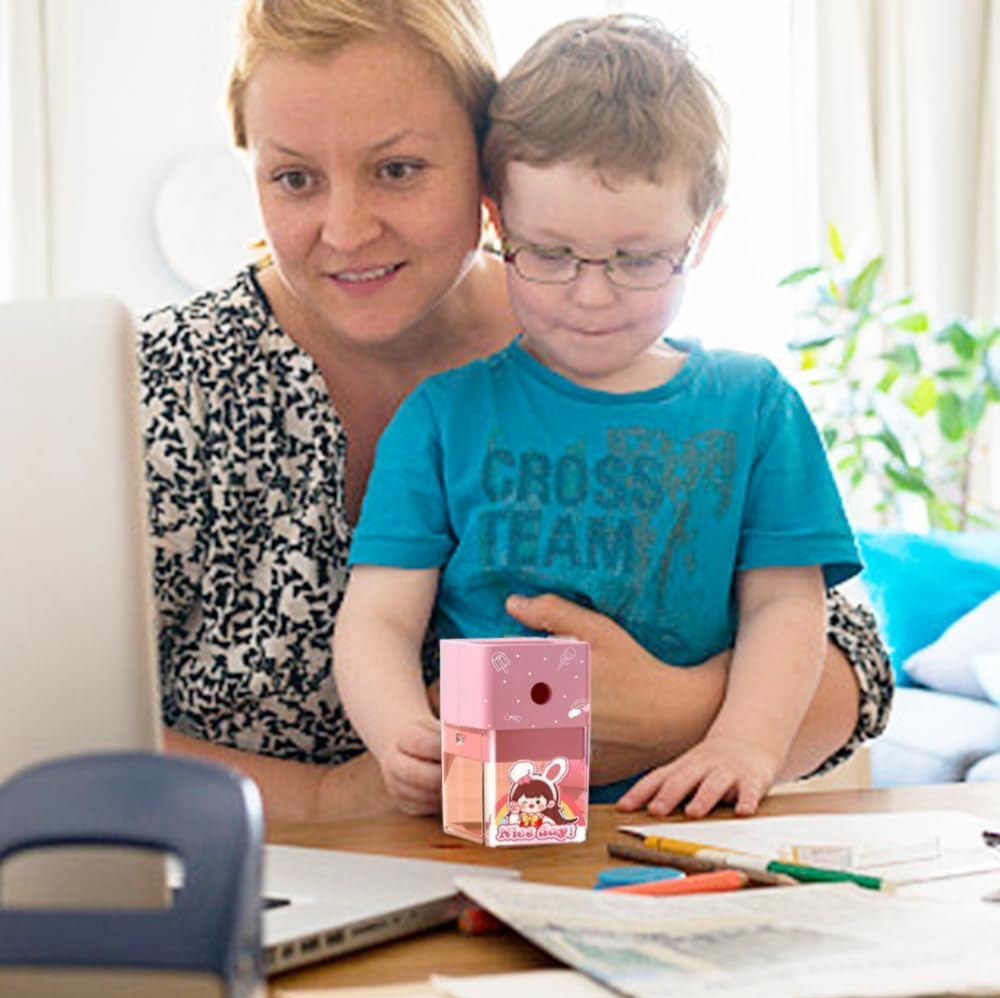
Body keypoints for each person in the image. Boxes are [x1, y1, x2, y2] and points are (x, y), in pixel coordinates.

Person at [139, 0, 892, 824]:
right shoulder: (164, 386)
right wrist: (329, 798)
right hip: (286, 885)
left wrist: (678, 713)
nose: (347, 231)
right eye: (293, 177)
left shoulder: (632, 354)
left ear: (484, 170)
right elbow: (45, 725)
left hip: (619, 859)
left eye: (398, 169)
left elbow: (845, 651)